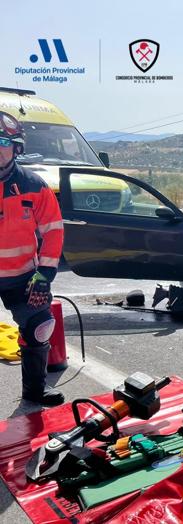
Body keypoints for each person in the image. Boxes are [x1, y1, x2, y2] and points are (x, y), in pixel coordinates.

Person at [0, 111, 64, 406]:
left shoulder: (34, 186)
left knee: (39, 327)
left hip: (23, 275)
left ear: (16, 148)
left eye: (3, 141)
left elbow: (53, 231)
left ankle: (35, 391)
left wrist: (45, 274)